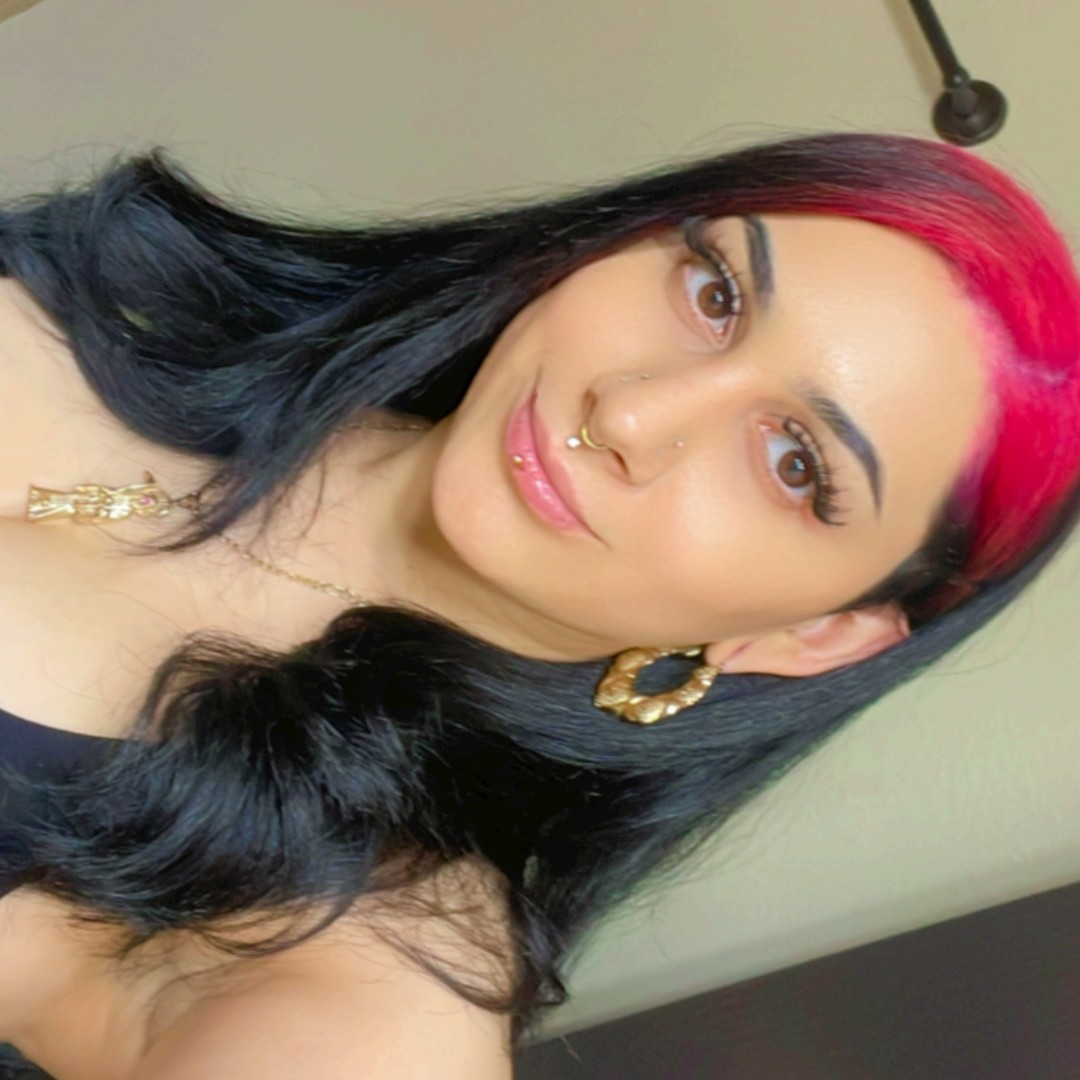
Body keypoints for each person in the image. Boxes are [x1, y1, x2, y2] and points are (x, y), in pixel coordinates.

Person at [0, 131, 1077, 1078]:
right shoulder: (136, 301)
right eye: (715, 294)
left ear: (813, 634)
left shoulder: (367, 936)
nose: (631, 414)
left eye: (795, 463)